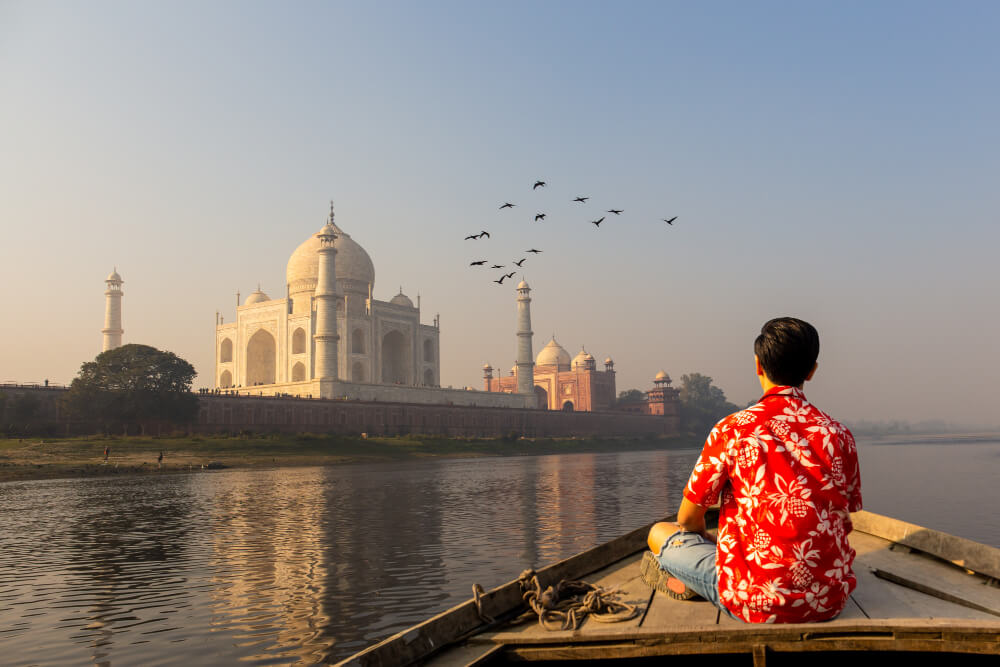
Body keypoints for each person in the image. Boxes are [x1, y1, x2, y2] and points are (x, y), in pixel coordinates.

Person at [647, 317, 862, 623]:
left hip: (753, 601)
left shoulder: (732, 429)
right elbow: (847, 510)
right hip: (828, 600)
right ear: (812, 370)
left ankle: (697, 581)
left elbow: (687, 518)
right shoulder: (838, 434)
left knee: (659, 532)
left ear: (758, 366)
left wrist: (709, 539)